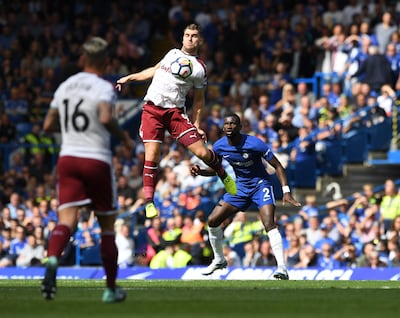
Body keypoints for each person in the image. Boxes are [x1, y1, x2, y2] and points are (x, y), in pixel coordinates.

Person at [40, 37, 133, 303]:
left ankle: (52, 261)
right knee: (106, 226)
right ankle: (111, 289)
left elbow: (47, 125)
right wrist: (123, 137)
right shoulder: (102, 87)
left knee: (66, 220)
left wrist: (69, 131)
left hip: (67, 157)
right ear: (105, 61)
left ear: (83, 58)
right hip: (95, 158)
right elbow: (105, 117)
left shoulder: (65, 86)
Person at [115, 23, 237, 219]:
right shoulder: (171, 53)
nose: (189, 38)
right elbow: (154, 70)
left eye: (194, 35)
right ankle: (149, 202)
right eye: (187, 34)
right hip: (152, 110)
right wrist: (129, 78)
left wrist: (197, 125)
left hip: (175, 113)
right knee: (152, 154)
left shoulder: (199, 68)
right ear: (182, 38)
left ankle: (223, 174)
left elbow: (199, 100)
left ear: (200, 40)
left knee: (202, 152)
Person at [190, 113, 301, 279]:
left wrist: (286, 191)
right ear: (223, 127)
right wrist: (201, 172)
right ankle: (219, 259)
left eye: (233, 124)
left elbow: (278, 166)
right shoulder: (220, 146)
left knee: (269, 223)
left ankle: (282, 268)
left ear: (240, 127)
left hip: (260, 185)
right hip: (240, 188)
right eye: (226, 123)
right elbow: (216, 170)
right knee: (212, 221)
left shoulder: (254, 143)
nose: (229, 126)